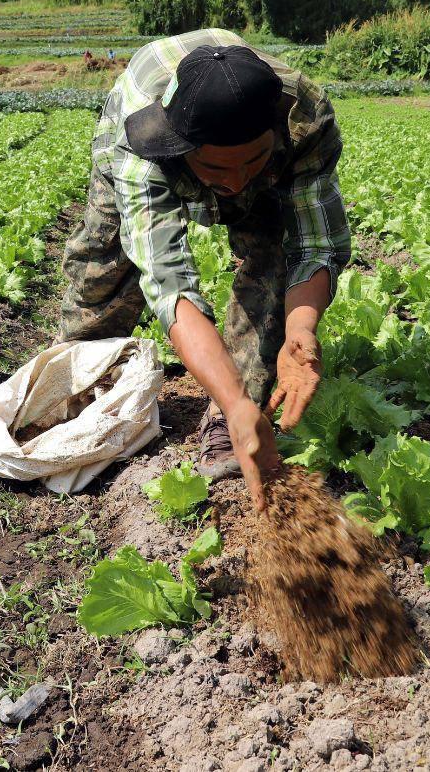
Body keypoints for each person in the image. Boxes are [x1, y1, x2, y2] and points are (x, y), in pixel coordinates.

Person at [58, 29, 350, 512]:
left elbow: (315, 242)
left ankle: (232, 414)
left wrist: (301, 326)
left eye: (251, 162)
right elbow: (167, 276)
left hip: (255, 140)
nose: (234, 186)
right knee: (105, 261)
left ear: (276, 135)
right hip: (145, 113)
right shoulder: (141, 139)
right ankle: (79, 381)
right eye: (216, 172)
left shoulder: (306, 121)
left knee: (271, 253)